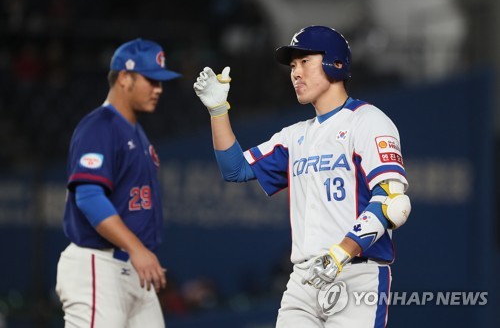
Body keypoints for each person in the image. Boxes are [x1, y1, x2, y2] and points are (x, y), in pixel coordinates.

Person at [193, 25, 411, 327]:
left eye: (304, 62)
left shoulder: (368, 121)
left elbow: (392, 202)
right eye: (292, 66)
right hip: (305, 279)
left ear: (335, 62)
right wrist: (218, 111)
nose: (295, 73)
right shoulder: (294, 136)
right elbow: (235, 170)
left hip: (357, 274)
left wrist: (340, 254)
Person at [56, 38, 181, 327]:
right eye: (151, 80)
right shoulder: (100, 126)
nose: (159, 89)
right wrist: (137, 248)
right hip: (97, 264)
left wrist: (137, 251)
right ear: (124, 78)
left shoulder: (137, 132)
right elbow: (88, 195)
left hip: (133, 270)